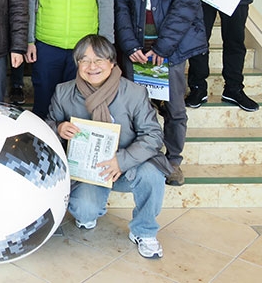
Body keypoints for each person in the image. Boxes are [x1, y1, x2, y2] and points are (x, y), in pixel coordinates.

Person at [48, 34, 171, 259]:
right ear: (77, 64)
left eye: (99, 60)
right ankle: (91, 207)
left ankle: (144, 231)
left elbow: (153, 135)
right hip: (88, 171)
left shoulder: (133, 93)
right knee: (84, 214)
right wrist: (58, 127)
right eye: (84, 60)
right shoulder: (64, 92)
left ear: (112, 62)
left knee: (153, 174)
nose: (91, 66)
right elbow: (46, 126)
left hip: (126, 165)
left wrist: (121, 161)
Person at [115, 0, 207, 186]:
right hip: (138, 51)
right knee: (137, 108)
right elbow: (120, 6)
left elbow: (187, 3)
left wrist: (163, 48)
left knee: (175, 110)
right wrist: (130, 46)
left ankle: (173, 160)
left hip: (171, 51)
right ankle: (142, 156)